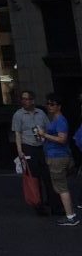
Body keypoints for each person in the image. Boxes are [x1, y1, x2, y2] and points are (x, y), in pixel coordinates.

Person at [36, 93, 79, 228]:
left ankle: (70, 217)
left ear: (59, 106)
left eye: (52, 104)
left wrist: (44, 135)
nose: (49, 106)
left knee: (61, 187)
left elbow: (62, 139)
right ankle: (70, 213)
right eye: (48, 104)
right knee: (61, 186)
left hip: (57, 157)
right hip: (58, 156)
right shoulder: (56, 119)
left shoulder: (60, 120)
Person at [13, 88, 57, 215]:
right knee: (34, 178)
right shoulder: (18, 115)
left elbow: (48, 128)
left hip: (42, 146)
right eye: (23, 99)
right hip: (28, 147)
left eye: (27, 99)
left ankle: (53, 204)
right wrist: (20, 151)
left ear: (32, 100)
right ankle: (39, 205)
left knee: (47, 176)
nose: (25, 101)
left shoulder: (41, 113)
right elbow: (17, 134)